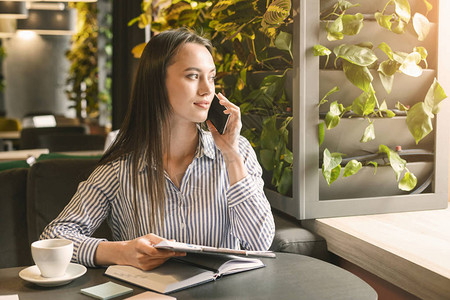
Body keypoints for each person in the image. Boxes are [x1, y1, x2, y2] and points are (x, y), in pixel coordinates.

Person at [41, 28, 275, 271]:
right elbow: (54, 236)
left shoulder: (238, 152)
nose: (208, 90)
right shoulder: (120, 169)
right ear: (157, 82)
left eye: (212, 77)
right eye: (193, 76)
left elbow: (260, 244)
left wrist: (231, 154)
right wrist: (121, 251)